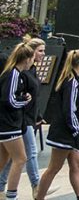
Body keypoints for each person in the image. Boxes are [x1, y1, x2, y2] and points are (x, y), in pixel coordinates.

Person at [36, 49, 79, 200]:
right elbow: (70, 109)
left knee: (76, 165)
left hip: (69, 131)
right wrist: (76, 130)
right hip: (66, 132)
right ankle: (39, 197)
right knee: (54, 167)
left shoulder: (74, 80)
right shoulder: (71, 82)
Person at [0, 39, 43, 196]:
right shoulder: (14, 74)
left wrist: (21, 98)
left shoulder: (13, 73)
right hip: (9, 124)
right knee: (20, 158)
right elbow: (8, 100)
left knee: (5, 160)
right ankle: (12, 195)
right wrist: (23, 101)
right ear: (27, 59)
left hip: (9, 123)